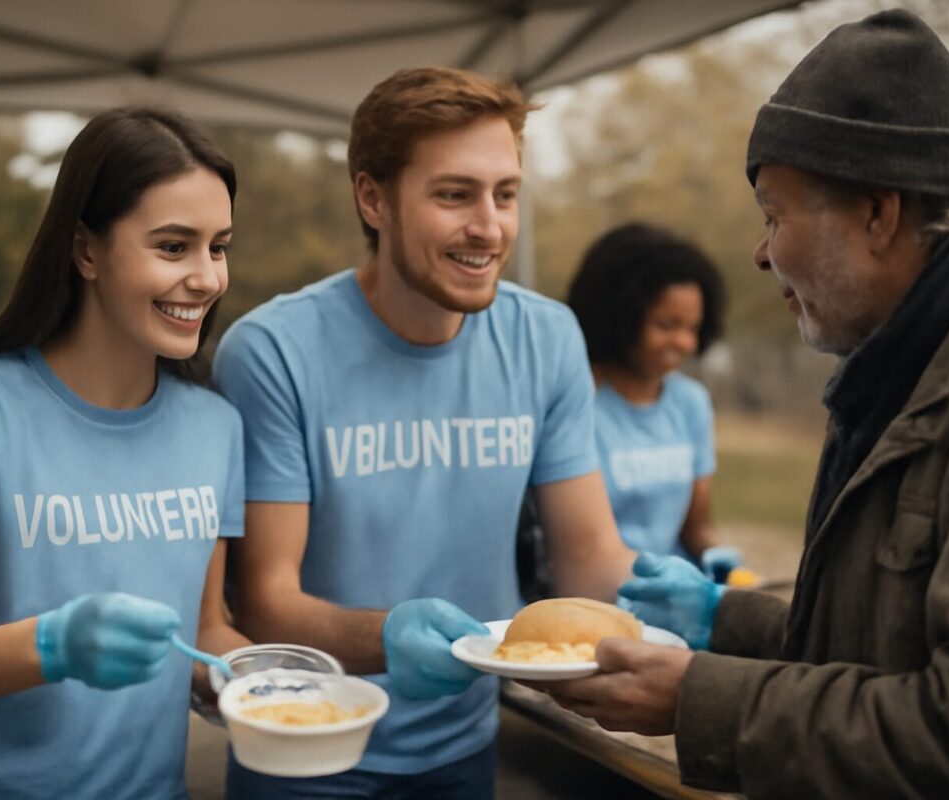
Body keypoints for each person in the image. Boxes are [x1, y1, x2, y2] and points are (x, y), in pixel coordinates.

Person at [529, 9, 949, 798]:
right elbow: (892, 646)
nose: (760, 253)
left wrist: (699, 701)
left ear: (877, 214)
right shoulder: (915, 353)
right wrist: (729, 624)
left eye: (774, 216)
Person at [213, 66, 637, 798]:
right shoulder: (273, 351)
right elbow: (263, 601)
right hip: (309, 750)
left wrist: (694, 613)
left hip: (464, 748)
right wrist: (387, 638)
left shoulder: (547, 338)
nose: (489, 226)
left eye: (505, 194)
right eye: (453, 195)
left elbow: (590, 555)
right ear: (372, 198)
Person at [0, 106, 250, 799]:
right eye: (173, 246)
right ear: (85, 250)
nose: (206, 278)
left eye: (218, 246)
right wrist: (52, 645)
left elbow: (204, 632)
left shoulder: (217, 427)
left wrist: (274, 678)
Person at [566, 223, 741, 579]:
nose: (684, 343)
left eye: (692, 328)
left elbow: (696, 528)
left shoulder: (691, 403)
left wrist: (727, 568)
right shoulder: (576, 403)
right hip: (605, 595)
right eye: (666, 325)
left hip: (677, 598)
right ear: (619, 316)